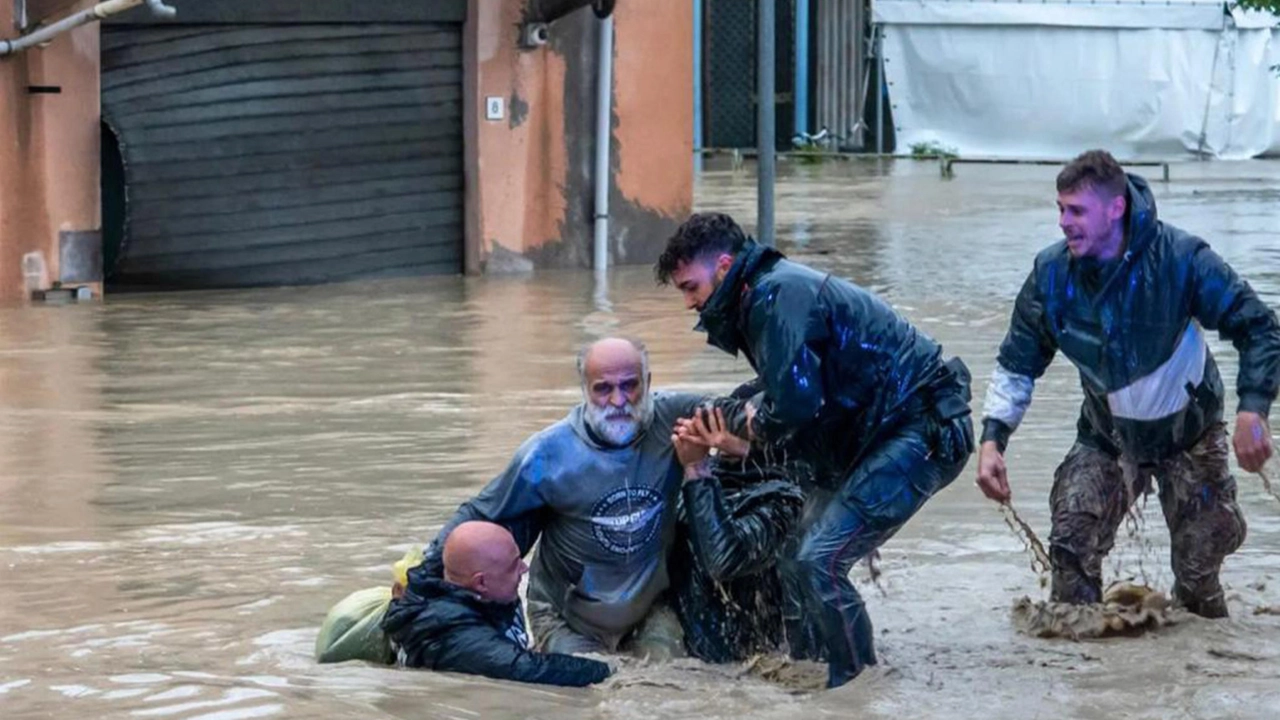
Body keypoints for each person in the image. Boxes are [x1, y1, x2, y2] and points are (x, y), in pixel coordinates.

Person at [655, 213, 975, 688]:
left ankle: (855, 689)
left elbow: (796, 404)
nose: (689, 303)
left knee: (817, 559)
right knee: (793, 557)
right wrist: (742, 428)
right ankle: (811, 672)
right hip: (878, 435)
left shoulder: (776, 295)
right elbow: (790, 396)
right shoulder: (758, 295)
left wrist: (740, 435)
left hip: (921, 428)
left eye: (690, 287)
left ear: (723, 267)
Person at [975, 149, 1280, 618]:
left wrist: (1252, 411)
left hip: (1190, 435)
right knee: (1071, 541)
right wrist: (993, 441)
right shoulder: (1051, 275)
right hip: (1107, 436)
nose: (1063, 222)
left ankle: (1198, 662)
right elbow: (1018, 362)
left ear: (1115, 209)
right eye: (1060, 209)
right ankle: (1086, 673)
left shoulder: (1182, 259)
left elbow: (1259, 328)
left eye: (1076, 210)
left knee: (1198, 574)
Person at [395, 337, 731, 658]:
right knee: (592, 688)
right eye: (603, 389)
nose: (619, 400)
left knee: (671, 683)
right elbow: (481, 513)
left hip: (650, 610)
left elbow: (743, 412)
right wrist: (417, 577)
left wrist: (745, 435)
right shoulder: (547, 454)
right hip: (565, 619)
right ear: (585, 390)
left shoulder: (675, 418)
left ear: (648, 382)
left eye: (630, 384)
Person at [668, 391, 808, 664]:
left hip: (745, 665)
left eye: (750, 427)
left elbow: (723, 560)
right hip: (685, 656)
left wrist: (697, 468)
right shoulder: (702, 473)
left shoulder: (787, 499)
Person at [381, 521, 611, 686]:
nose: (524, 568)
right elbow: (525, 668)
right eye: (514, 565)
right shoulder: (456, 635)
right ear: (480, 582)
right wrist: (611, 671)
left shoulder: (460, 579)